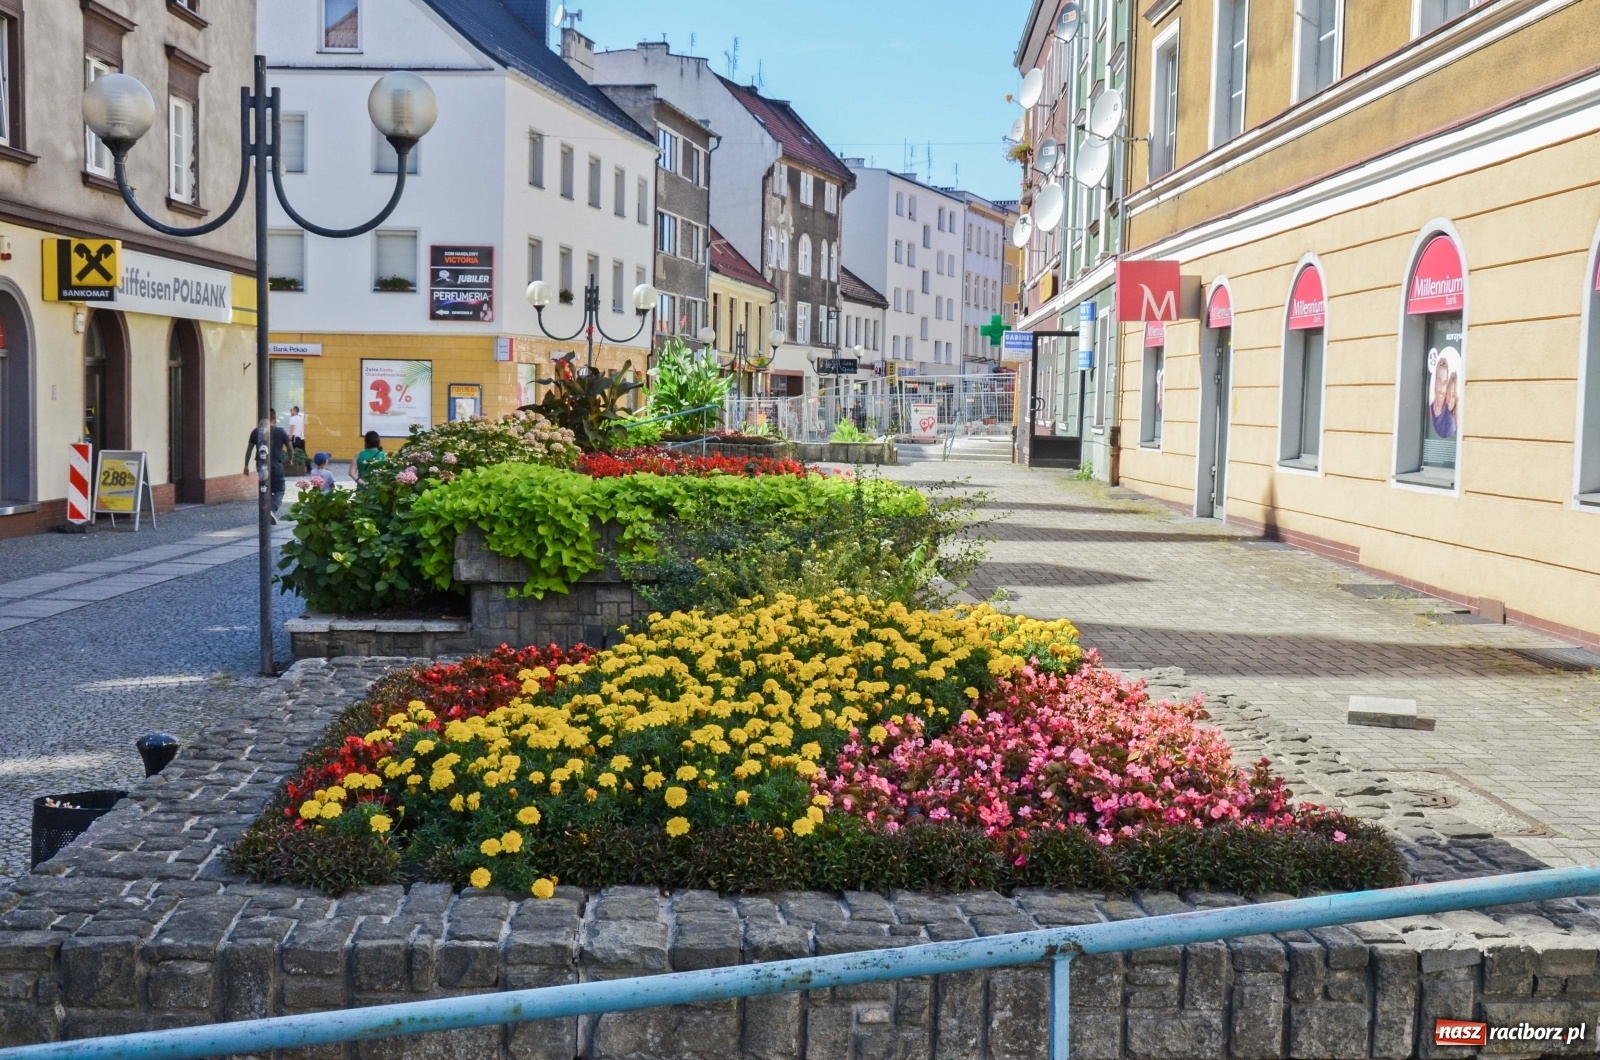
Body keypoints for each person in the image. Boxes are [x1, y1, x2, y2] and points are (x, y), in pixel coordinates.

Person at [244, 409, 292, 523]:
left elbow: (249, 450)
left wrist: (246, 465)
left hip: (260, 466)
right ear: (274, 419)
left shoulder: (255, 432)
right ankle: (271, 510)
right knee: (280, 489)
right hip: (276, 465)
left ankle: (264, 512)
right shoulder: (280, 431)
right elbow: (290, 448)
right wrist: (290, 459)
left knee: (264, 489)